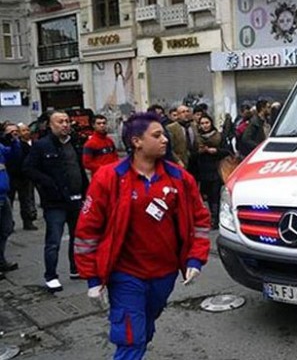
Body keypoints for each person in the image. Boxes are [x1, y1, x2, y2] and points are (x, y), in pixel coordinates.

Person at [74, 112, 211, 359]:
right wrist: (92, 278)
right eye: (157, 135)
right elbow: (87, 231)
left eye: (164, 135)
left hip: (164, 274)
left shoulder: (179, 177)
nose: (165, 140)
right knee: (130, 338)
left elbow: (201, 220)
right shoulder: (109, 177)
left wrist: (195, 259)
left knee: (145, 328)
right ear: (136, 141)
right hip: (126, 274)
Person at [23, 110, 90, 292]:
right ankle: (51, 276)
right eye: (60, 122)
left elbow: (79, 170)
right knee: (54, 240)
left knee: (77, 237)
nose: (65, 125)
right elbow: (28, 168)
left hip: (76, 199)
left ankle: (75, 268)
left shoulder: (74, 143)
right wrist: (48, 184)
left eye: (67, 121)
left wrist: (86, 191)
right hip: (55, 203)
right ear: (51, 125)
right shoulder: (42, 146)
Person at [196, 114, 233, 229]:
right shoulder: (197, 138)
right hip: (203, 171)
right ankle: (212, 216)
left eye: (207, 123)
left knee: (215, 195)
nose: (205, 126)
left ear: (211, 123)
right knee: (208, 196)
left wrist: (216, 151)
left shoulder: (219, 136)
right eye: (202, 123)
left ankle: (215, 219)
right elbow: (192, 155)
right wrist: (200, 152)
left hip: (216, 169)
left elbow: (228, 151)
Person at [6, 123, 38, 230]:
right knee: (8, 202)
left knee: (26, 200)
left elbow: (31, 159)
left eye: (16, 131)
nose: (14, 133)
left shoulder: (24, 146)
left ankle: (28, 221)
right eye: (11, 132)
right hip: (9, 177)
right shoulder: (5, 145)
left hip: (23, 177)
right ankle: (9, 224)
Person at [0, 126, 21, 278]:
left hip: (3, 194)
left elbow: (14, 155)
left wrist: (13, 141)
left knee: (6, 228)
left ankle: (1, 260)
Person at [166, 105, 200, 170]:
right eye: (183, 112)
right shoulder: (171, 128)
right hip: (180, 161)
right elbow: (170, 148)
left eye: (187, 111)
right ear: (178, 115)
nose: (186, 114)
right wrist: (178, 160)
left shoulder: (194, 126)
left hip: (194, 161)